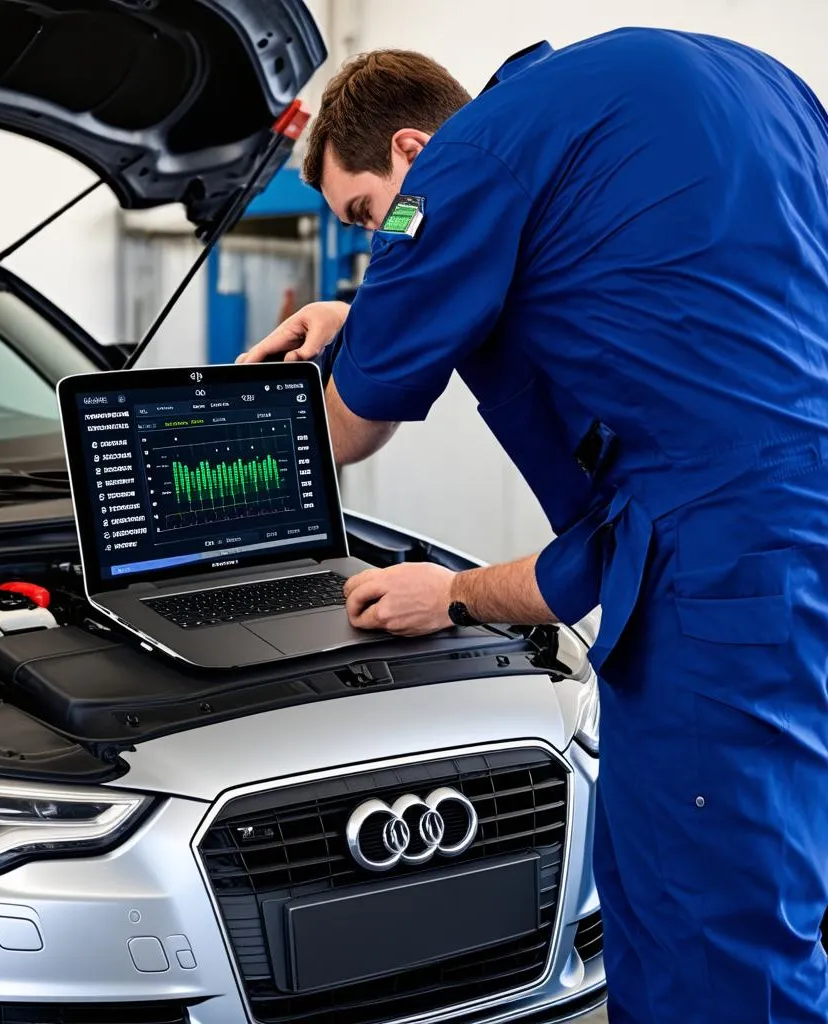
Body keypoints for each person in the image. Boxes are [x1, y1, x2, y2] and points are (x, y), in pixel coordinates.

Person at [238, 30, 828, 1024]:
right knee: (696, 886)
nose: (372, 239)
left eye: (361, 214)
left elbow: (346, 428)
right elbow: (630, 515)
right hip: (761, 542)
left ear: (413, 154)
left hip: (725, 574)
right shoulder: (745, 86)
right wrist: (363, 318)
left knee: (714, 931)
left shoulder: (459, 168)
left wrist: (249, 416)